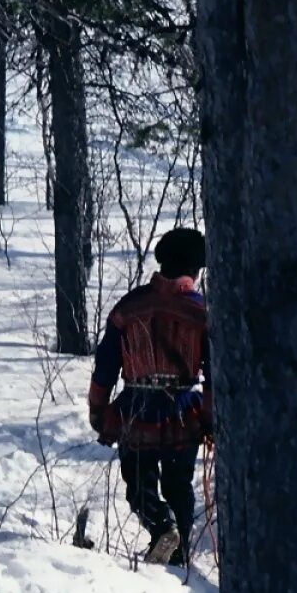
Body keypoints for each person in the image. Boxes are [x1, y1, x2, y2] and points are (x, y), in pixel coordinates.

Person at [88, 227, 211, 565]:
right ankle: (179, 555)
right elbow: (215, 372)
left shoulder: (129, 306)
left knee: (139, 486)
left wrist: (98, 408)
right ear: (195, 270)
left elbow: (106, 362)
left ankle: (161, 528)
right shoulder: (202, 313)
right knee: (178, 486)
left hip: (136, 409)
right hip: (183, 411)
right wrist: (212, 418)